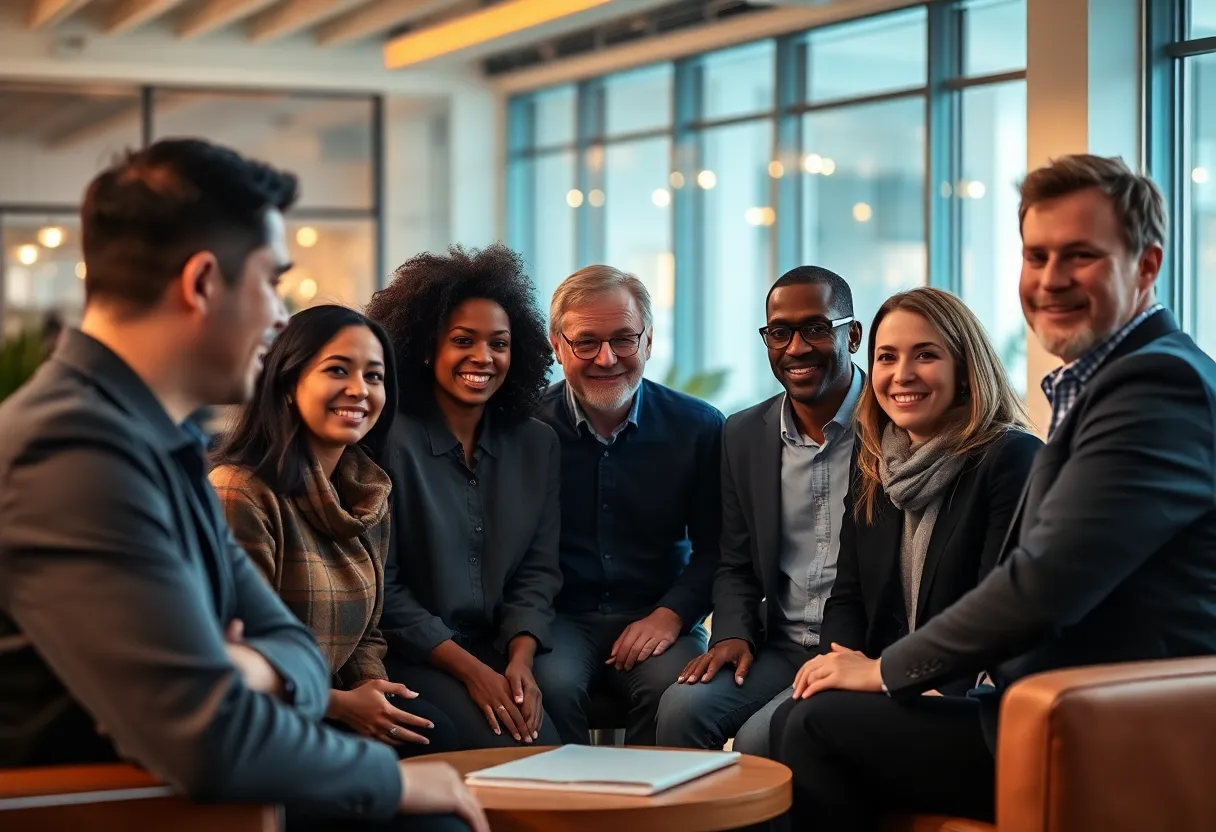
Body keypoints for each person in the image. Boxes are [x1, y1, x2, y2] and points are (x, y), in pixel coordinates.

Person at [0, 139, 486, 832]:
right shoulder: (71, 451)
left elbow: (294, 647)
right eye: (271, 280)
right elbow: (209, 735)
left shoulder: (158, 439)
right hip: (112, 805)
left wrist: (247, 663)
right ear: (202, 283)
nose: (280, 316)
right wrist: (390, 780)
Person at [772, 154, 1216, 829]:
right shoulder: (1108, 379)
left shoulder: (1155, 385)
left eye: (1080, 255)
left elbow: (1045, 584)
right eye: (1036, 256)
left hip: (1113, 725)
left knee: (816, 727)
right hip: (1050, 705)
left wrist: (887, 670)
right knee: (814, 718)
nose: (1051, 279)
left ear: (1147, 266)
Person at [211, 304, 458, 756]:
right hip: (272, 718)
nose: (359, 390)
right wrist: (342, 706)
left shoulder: (368, 493)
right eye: (337, 370)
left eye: (375, 376)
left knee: (446, 739)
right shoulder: (240, 493)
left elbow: (369, 633)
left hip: (342, 702)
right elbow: (232, 655)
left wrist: (372, 690)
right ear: (288, 385)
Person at [655, 265, 864, 755]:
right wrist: (732, 632)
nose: (795, 348)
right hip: (780, 643)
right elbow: (735, 560)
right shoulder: (743, 434)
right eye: (779, 332)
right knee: (681, 710)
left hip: (857, 647)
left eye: (816, 328)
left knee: (759, 739)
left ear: (852, 335)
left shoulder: (893, 424)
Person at [368, 243, 564, 750]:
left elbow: (538, 573)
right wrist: (476, 673)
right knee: (515, 750)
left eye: (498, 343)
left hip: (501, 650)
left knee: (548, 748)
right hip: (413, 654)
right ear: (428, 346)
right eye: (463, 340)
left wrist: (520, 661)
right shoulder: (386, 441)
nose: (483, 357)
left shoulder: (536, 443)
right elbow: (383, 589)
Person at [530, 265, 724, 746]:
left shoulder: (698, 427)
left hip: (659, 610)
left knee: (674, 689)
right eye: (586, 342)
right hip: (557, 617)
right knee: (548, 686)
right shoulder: (522, 429)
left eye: (623, 339)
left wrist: (673, 614)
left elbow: (721, 547)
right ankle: (571, 811)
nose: (607, 357)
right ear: (557, 346)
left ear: (649, 341)